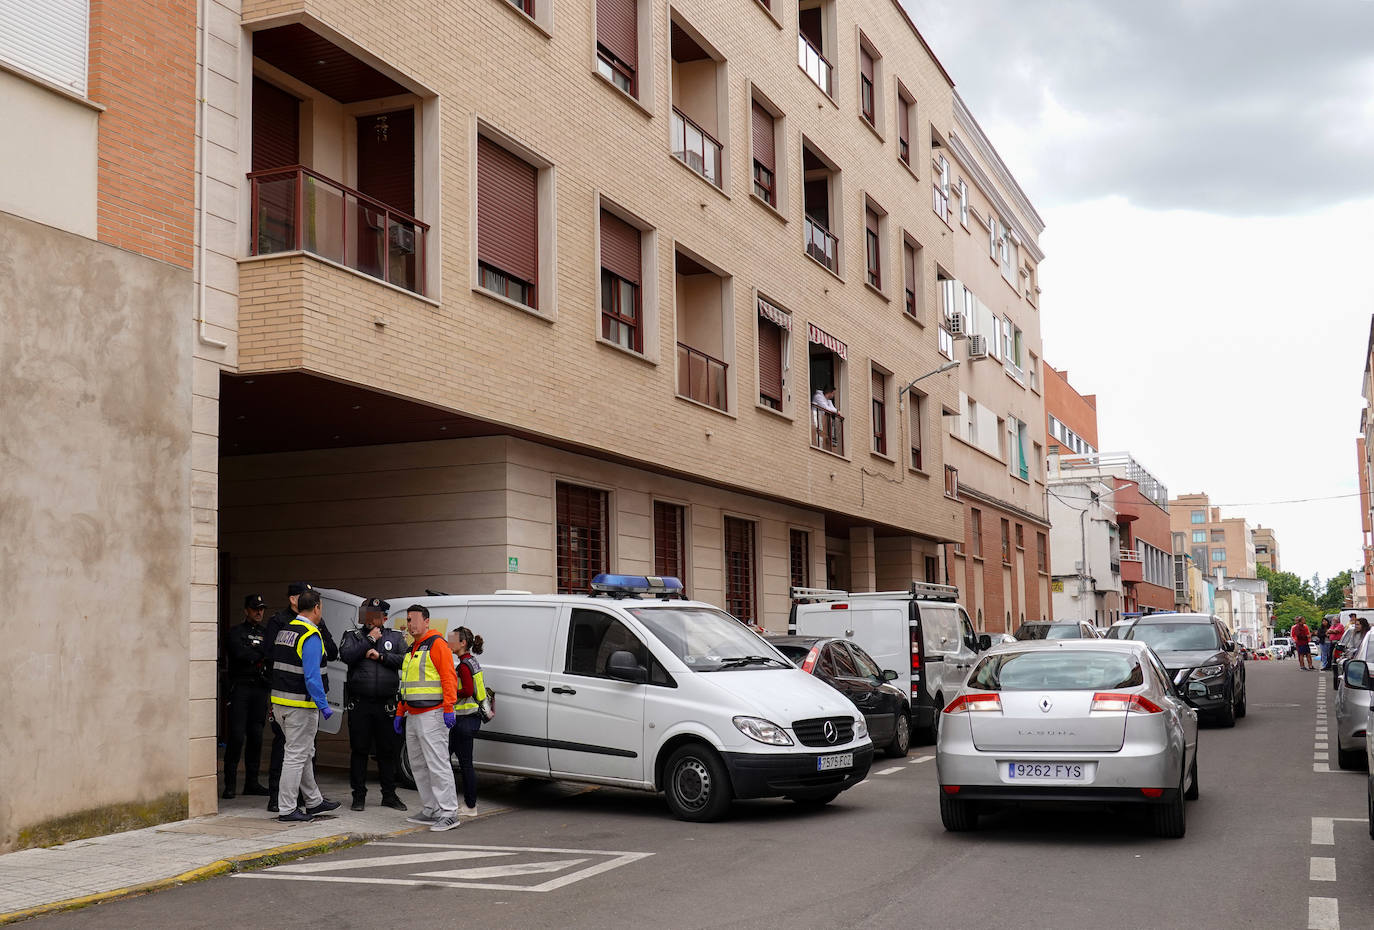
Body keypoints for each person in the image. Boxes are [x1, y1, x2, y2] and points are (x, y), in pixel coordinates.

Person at [265, 582, 338, 811]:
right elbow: (312, 678)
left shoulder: (285, 630)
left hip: (280, 703)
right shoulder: (310, 635)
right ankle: (287, 808)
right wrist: (323, 705)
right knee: (296, 756)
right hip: (300, 706)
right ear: (316, 608)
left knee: (305, 753)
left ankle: (314, 801)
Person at [395, 605, 461, 832]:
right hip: (414, 714)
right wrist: (400, 711)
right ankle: (431, 809)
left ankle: (449, 812)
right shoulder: (413, 648)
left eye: (414, 619)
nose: (410, 624)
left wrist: (449, 707)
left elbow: (448, 677)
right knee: (418, 764)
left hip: (433, 713)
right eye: (408, 619)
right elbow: (406, 685)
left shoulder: (437, 644)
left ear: (426, 622)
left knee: (437, 763)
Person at [339, 597, 408, 812]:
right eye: (367, 615)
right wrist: (368, 640)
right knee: (359, 750)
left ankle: (389, 795)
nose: (370, 619)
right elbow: (347, 655)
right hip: (360, 704)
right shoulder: (353, 636)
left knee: (387, 751)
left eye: (374, 616)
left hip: (386, 705)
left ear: (384, 617)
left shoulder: (395, 637)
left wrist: (381, 657)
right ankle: (358, 796)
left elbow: (405, 660)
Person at [222, 594, 273, 799]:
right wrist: (258, 653)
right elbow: (241, 654)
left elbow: (269, 654)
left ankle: (252, 782)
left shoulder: (265, 632)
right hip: (241, 688)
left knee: (256, 736)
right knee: (236, 736)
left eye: (261, 609)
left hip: (259, 688)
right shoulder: (235, 632)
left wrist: (256, 652)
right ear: (246, 610)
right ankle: (230, 784)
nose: (259, 612)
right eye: (255, 609)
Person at [447, 626, 487, 816]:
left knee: (461, 764)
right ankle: (465, 804)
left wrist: (448, 694)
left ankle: (470, 806)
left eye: (453, 639)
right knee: (456, 761)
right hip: (470, 719)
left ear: (462, 643)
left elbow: (468, 691)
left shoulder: (463, 665)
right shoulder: (471, 661)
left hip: (463, 720)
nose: (449, 642)